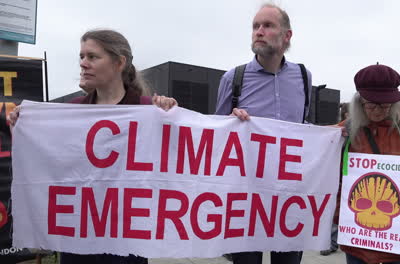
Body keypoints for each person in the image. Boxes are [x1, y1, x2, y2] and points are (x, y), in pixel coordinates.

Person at [8, 29, 177, 264]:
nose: (83, 64)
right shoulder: (73, 110)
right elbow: (50, 161)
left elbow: (179, 164)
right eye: (81, 56)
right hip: (78, 233)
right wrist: (23, 129)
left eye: (92, 57)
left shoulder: (150, 110)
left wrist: (172, 116)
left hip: (126, 237)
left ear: (119, 63)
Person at [215, 3, 311, 264]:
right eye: (256, 26)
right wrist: (231, 123)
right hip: (246, 200)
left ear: (287, 35)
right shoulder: (233, 78)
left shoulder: (303, 76)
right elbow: (216, 136)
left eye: (267, 26)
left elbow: (302, 126)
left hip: (289, 198)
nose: (259, 31)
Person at [337, 64, 400, 263]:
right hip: (357, 243)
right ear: (359, 102)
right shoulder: (344, 131)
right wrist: (339, 218)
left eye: (385, 105)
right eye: (371, 105)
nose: (378, 111)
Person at [320, 102, 349, 257]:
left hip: (347, 179)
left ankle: (333, 242)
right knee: (335, 211)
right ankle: (331, 242)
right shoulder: (339, 130)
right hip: (339, 178)